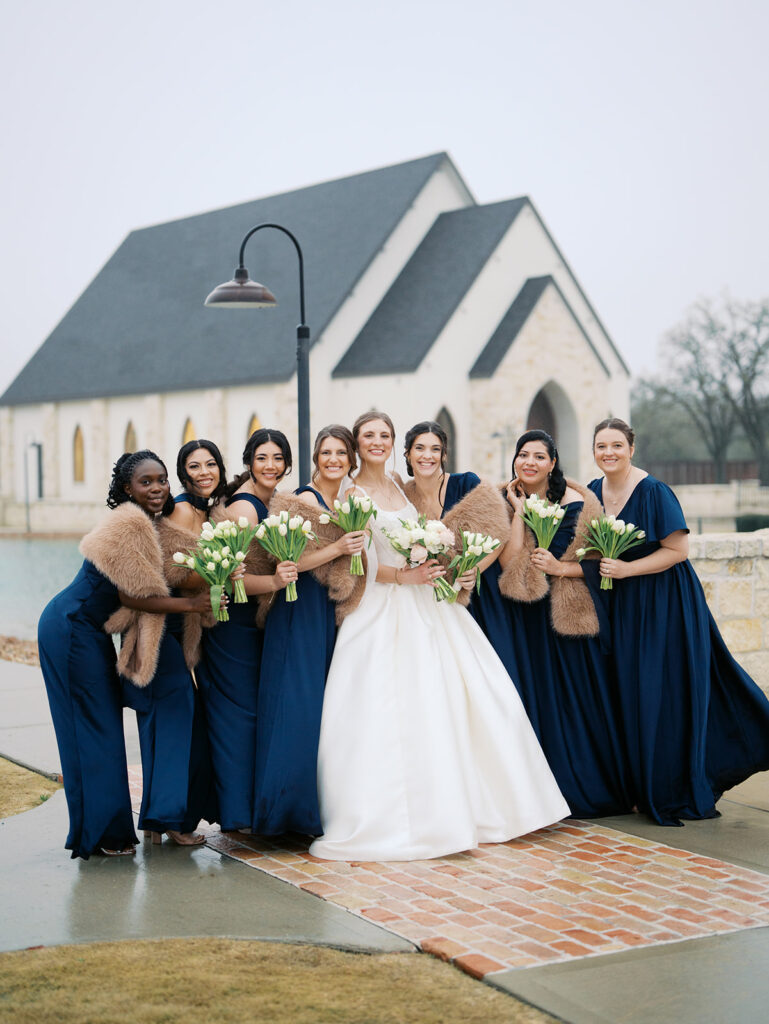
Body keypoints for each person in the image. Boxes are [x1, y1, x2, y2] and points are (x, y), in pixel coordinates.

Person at [309, 412, 569, 861]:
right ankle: (401, 816)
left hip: (427, 602)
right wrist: (404, 577)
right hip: (381, 607)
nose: (377, 442)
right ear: (356, 442)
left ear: (394, 444)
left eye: (384, 435)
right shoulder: (352, 492)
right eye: (368, 436)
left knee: (473, 695)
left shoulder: (396, 484)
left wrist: (433, 563)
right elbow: (359, 562)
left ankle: (484, 803)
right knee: (394, 707)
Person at [588, 418, 769, 825]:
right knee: (630, 691)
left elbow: (679, 549)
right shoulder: (593, 492)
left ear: (632, 448)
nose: (609, 453)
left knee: (662, 691)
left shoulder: (655, 491)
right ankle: (638, 785)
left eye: (617, 445)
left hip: (664, 603)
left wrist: (627, 572)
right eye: (601, 446)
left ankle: (672, 785)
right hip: (623, 605)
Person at [493, 430, 632, 817]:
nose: (530, 463)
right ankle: (544, 791)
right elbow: (509, 563)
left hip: (569, 612)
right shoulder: (506, 501)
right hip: (529, 615)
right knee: (539, 699)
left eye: (539, 456)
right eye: (523, 455)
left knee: (576, 699)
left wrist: (559, 568)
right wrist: (519, 514)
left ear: (553, 463)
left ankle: (588, 784)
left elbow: (594, 562)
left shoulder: (579, 502)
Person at [95, 451, 218, 845]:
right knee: (178, 724)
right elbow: (132, 596)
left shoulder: (154, 521)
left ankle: (155, 819)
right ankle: (171, 821)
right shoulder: (132, 523)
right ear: (126, 488)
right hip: (153, 638)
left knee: (162, 726)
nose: (157, 488)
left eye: (161, 480)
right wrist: (193, 603)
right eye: (146, 482)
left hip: (161, 636)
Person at [253, 425, 367, 836]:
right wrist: (339, 548)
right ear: (316, 458)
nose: (333, 459)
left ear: (351, 458)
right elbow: (287, 563)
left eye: (341, 452)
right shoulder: (302, 499)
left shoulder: (352, 499)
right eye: (326, 452)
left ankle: (318, 806)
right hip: (300, 608)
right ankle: (285, 814)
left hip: (331, 611)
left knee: (324, 706)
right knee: (297, 703)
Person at [195, 429, 296, 832]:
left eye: (277, 458)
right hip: (232, 624)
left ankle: (250, 806)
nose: (270, 466)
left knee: (254, 713)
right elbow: (234, 579)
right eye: (262, 458)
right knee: (238, 717)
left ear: (287, 464)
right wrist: (275, 582)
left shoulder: (275, 502)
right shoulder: (245, 508)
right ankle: (238, 813)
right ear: (249, 462)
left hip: (255, 624)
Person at [169, 438, 228, 531]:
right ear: (183, 474)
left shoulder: (205, 509)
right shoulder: (182, 510)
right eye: (194, 466)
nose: (204, 472)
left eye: (211, 464)